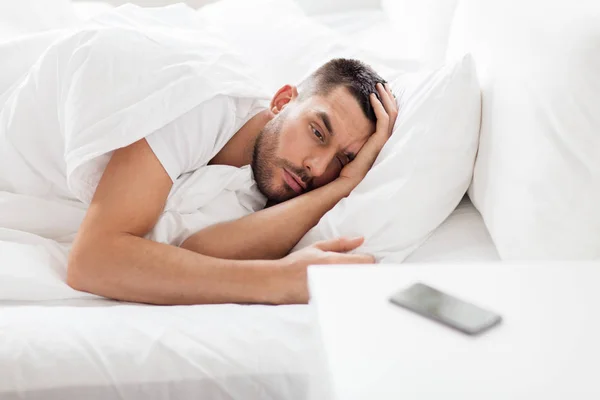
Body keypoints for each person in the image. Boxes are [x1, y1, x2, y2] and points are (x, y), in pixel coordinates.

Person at [66, 58, 398, 305]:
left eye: (342, 160)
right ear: (282, 102)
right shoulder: (202, 104)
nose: (317, 166)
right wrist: (279, 280)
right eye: (317, 132)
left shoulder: (271, 177)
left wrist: (343, 185)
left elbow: (200, 252)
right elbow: (92, 260)